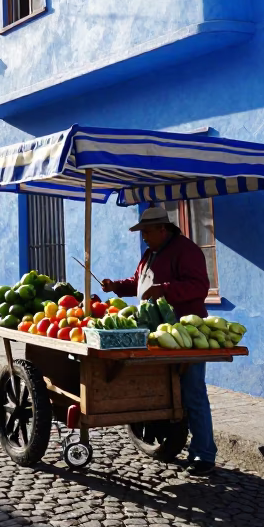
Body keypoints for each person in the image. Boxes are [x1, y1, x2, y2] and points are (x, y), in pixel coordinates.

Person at [102, 204, 216, 475]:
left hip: (184, 334)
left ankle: (204, 454)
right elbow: (138, 283)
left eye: (147, 232)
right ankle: (172, 437)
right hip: (155, 333)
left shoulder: (187, 250)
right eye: (142, 232)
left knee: (193, 391)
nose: (143, 237)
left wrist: (163, 290)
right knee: (162, 389)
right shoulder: (150, 253)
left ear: (163, 229)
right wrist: (116, 286)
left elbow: (199, 287)